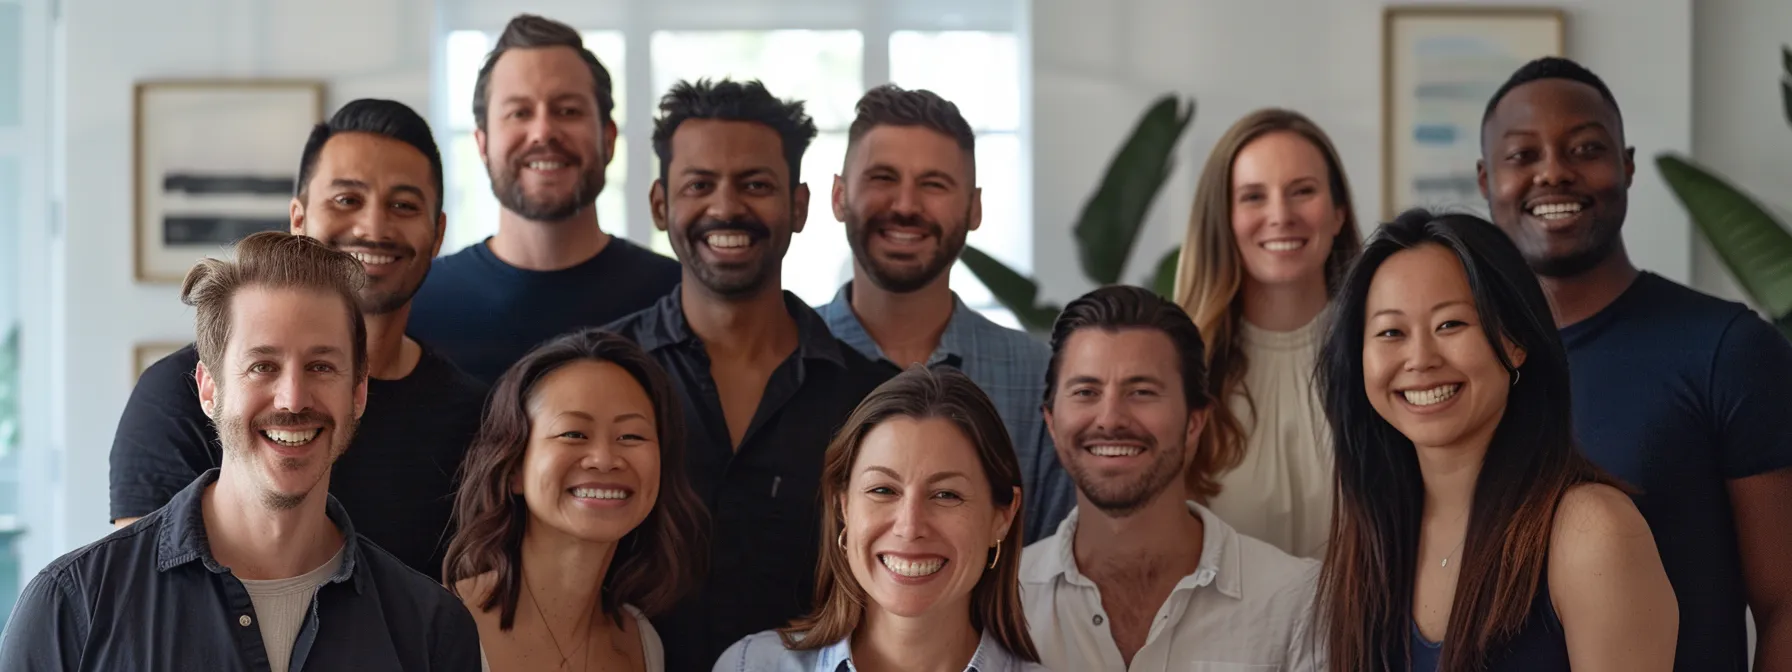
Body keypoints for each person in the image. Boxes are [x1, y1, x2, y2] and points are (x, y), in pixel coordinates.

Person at [0, 232, 480, 671]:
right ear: (209, 390)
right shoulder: (72, 607)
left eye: (320, 366)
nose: (293, 398)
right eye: (262, 366)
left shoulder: (430, 630)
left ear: (358, 392)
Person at [1477, 56, 1792, 671]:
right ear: (1486, 180)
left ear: (1626, 164)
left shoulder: (1726, 350)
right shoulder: (1454, 366)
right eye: (1522, 156)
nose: (1554, 173)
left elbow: (1785, 603)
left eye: (1585, 148)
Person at [108, 98, 487, 579]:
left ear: (437, 234)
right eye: (347, 200)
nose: (373, 227)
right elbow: (149, 603)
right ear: (300, 218)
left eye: (404, 205)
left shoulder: (474, 417)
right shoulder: (180, 393)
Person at [604, 78, 893, 671]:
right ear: (661, 204)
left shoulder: (873, 400)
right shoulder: (600, 377)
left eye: (756, 185)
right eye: (699, 185)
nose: (726, 207)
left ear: (799, 205)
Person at [1315, 209, 1677, 670]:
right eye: (1391, 332)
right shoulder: (1373, 533)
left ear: (1514, 341)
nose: (1420, 358)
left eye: (1450, 324)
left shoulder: (1593, 532)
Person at [817, 84, 1073, 543]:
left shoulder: (1039, 379)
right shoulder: (785, 358)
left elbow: (1049, 574)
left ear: (974, 208)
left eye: (934, 184)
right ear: (839, 195)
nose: (906, 205)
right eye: (882, 178)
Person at [1021, 285, 1322, 671]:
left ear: (1194, 423)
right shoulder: (1001, 601)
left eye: (1142, 391)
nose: (1111, 418)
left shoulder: (1296, 600)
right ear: (1051, 421)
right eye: (1086, 391)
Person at [713, 366, 1043, 672]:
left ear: (1002, 516)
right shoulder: (749, 665)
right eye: (883, 490)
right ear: (844, 507)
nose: (910, 526)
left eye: (946, 494)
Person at [409, 13, 681, 383]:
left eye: (568, 111)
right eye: (519, 112)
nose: (543, 131)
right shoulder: (418, 305)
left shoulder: (675, 301)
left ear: (608, 138)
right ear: (483, 144)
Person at [444, 328, 707, 672]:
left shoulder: (643, 643)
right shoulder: (437, 625)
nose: (603, 458)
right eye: (573, 433)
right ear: (513, 468)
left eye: (631, 435)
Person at [1171, 108, 1362, 559]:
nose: (1280, 215)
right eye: (1254, 197)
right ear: (1224, 219)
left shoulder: (1388, 354)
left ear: (1337, 214)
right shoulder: (1179, 372)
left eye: (1303, 191)